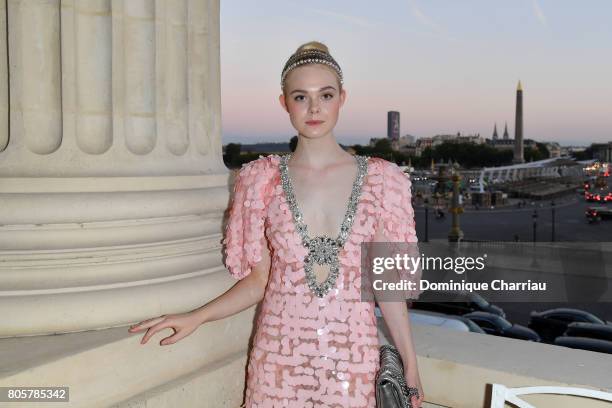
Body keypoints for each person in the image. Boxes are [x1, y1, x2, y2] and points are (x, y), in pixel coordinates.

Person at [128, 41, 424, 408]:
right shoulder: (260, 180)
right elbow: (259, 281)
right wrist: (197, 316)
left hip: (353, 361)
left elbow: (386, 286)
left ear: (342, 98)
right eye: (301, 97)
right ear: (284, 103)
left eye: (326, 95)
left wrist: (410, 367)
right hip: (277, 363)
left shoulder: (381, 181)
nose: (314, 107)